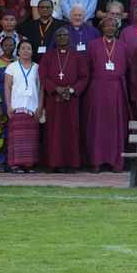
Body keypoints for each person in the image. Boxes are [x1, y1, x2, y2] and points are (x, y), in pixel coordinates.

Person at [84, 19, 131, 172]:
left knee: (116, 126)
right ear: (102, 28)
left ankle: (115, 161)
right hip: (98, 89)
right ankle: (96, 161)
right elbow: (87, 67)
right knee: (97, 125)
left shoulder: (123, 46)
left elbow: (127, 68)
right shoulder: (93, 45)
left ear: (117, 29)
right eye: (107, 25)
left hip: (117, 89)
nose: (110, 28)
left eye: (113, 26)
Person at [40, 25, 87, 171]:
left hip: (71, 100)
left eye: (65, 35)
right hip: (53, 100)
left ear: (69, 37)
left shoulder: (78, 56)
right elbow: (43, 76)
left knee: (71, 130)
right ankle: (54, 163)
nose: (62, 38)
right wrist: (56, 89)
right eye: (59, 35)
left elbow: (84, 77)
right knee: (54, 131)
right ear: (55, 38)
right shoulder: (48, 56)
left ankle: (71, 163)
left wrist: (71, 90)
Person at [2, 38, 43, 174]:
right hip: (16, 106)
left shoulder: (37, 67)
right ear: (18, 51)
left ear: (32, 52)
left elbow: (41, 89)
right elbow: (7, 87)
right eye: (23, 48)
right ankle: (15, 165)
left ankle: (29, 165)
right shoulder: (12, 67)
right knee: (17, 138)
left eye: (28, 48)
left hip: (32, 107)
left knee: (30, 139)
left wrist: (40, 107)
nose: (26, 51)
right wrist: (8, 105)